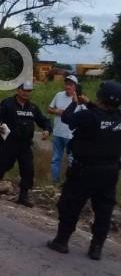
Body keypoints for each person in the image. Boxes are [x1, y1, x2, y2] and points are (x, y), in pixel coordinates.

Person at [46, 81, 121, 260]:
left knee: (70, 204)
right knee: (104, 211)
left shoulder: (88, 116)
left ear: (101, 96)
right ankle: (96, 248)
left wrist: (75, 102)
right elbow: (105, 115)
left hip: (84, 170)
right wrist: (87, 103)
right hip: (110, 172)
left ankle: (61, 241)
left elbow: (66, 118)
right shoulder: (117, 117)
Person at [0, 82, 52, 207]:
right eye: (24, 90)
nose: (26, 93)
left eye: (29, 91)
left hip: (25, 144)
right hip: (9, 143)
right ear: (18, 90)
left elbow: (44, 120)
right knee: (2, 166)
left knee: (28, 169)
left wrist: (47, 129)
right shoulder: (7, 103)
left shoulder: (32, 107)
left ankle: (23, 196)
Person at [47, 75, 82, 183]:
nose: (68, 87)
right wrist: (57, 111)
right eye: (66, 84)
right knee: (56, 159)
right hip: (58, 132)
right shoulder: (59, 95)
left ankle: (70, 183)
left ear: (75, 86)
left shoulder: (79, 99)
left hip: (71, 135)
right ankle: (55, 181)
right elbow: (49, 109)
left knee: (72, 160)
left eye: (70, 85)